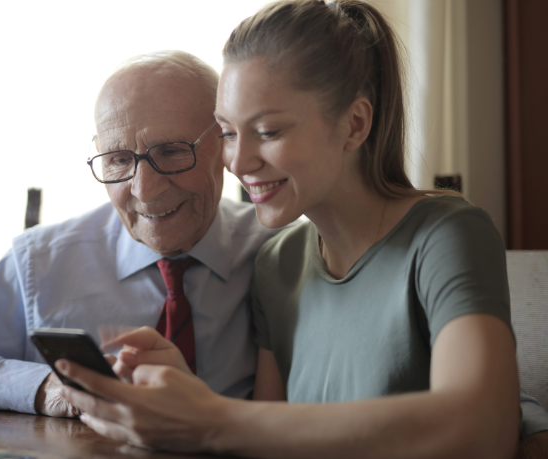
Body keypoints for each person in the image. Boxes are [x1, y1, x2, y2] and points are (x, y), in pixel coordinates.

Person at [57, 1, 548, 457]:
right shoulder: (279, 261)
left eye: (268, 131)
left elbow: (484, 428)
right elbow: (273, 439)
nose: (238, 161)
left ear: (355, 124)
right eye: (227, 133)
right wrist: (186, 398)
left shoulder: (447, 234)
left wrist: (211, 417)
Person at [0, 50, 280, 417]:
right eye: (119, 160)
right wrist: (42, 387)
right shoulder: (44, 262)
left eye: (172, 152)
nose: (144, 189)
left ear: (226, 144)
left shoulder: (283, 256)